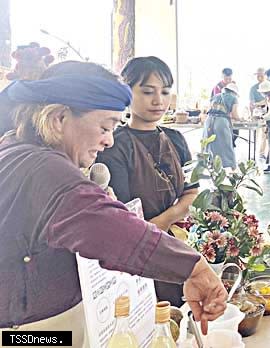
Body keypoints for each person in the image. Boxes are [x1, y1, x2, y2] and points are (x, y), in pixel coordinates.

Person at [0, 61, 226, 342]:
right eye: (105, 127)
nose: (108, 141)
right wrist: (194, 268)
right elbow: (110, 229)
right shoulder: (44, 169)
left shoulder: (18, 150)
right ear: (59, 119)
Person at [96, 57, 200, 307]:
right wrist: (156, 230)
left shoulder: (176, 139)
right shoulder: (114, 145)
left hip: (175, 242)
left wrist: (162, 222)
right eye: (147, 91)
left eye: (165, 92)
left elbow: (193, 193)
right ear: (127, 92)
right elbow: (121, 213)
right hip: (138, 253)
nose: (159, 101)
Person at [204, 83, 241, 168]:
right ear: (234, 92)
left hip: (209, 120)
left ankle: (212, 165)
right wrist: (241, 119)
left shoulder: (216, 96)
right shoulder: (234, 98)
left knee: (211, 144)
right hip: (221, 122)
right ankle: (230, 167)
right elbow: (235, 114)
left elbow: (209, 109)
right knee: (226, 145)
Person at [249, 67, 269, 160]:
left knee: (264, 134)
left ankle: (262, 153)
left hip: (267, 113)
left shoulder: (269, 86)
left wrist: (259, 104)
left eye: (261, 75)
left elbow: (268, 101)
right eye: (258, 75)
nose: (259, 77)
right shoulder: (253, 88)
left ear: (265, 76)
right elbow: (251, 103)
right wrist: (252, 112)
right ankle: (253, 151)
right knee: (255, 133)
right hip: (256, 113)